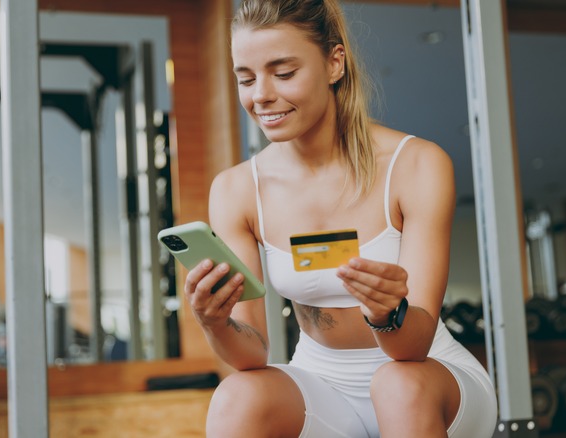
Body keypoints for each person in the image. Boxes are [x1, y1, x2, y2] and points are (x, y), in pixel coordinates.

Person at [182, 0, 498, 436]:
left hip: (425, 376)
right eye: (246, 78)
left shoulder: (416, 164)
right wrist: (214, 322)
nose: (261, 96)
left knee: (398, 384)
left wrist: (385, 311)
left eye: (284, 73)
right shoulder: (236, 190)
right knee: (237, 397)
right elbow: (251, 355)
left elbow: (413, 345)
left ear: (334, 63)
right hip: (322, 385)